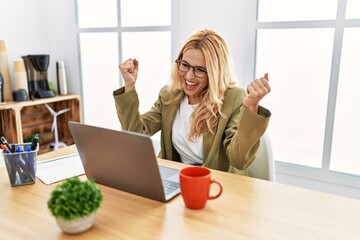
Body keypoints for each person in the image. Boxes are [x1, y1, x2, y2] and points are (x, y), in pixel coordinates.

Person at [113, 29, 271, 175]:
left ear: (216, 72)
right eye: (185, 65)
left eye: (200, 70)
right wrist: (130, 86)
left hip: (217, 185)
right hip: (176, 180)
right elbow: (136, 133)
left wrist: (251, 108)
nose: (189, 76)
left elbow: (239, 160)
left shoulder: (234, 98)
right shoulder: (169, 95)